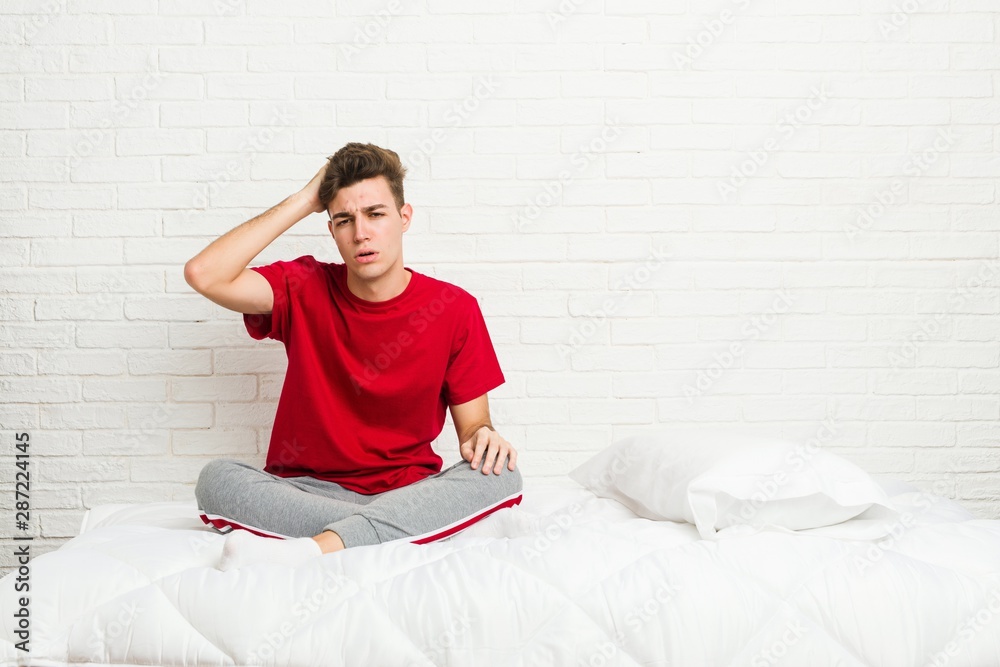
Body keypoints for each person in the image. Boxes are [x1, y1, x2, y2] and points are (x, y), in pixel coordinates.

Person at [185, 142, 522, 570]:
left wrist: (484, 438)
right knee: (218, 480)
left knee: (503, 475)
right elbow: (204, 273)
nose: (360, 232)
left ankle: (317, 548)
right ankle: (387, 531)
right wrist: (305, 200)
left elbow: (473, 429)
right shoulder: (303, 285)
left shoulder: (455, 308)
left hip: (408, 491)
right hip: (304, 493)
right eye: (344, 220)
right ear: (332, 230)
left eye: (376, 214)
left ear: (404, 218)